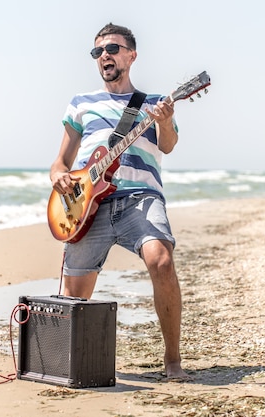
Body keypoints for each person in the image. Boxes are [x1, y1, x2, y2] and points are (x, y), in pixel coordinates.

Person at [49, 23, 189, 380]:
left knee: (162, 261)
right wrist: (59, 178)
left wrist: (167, 121)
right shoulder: (81, 103)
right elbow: (59, 163)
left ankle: (172, 361)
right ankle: (67, 365)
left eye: (112, 49)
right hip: (86, 206)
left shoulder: (155, 105)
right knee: (74, 298)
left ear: (131, 55)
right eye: (98, 52)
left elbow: (168, 146)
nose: (105, 56)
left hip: (140, 199)